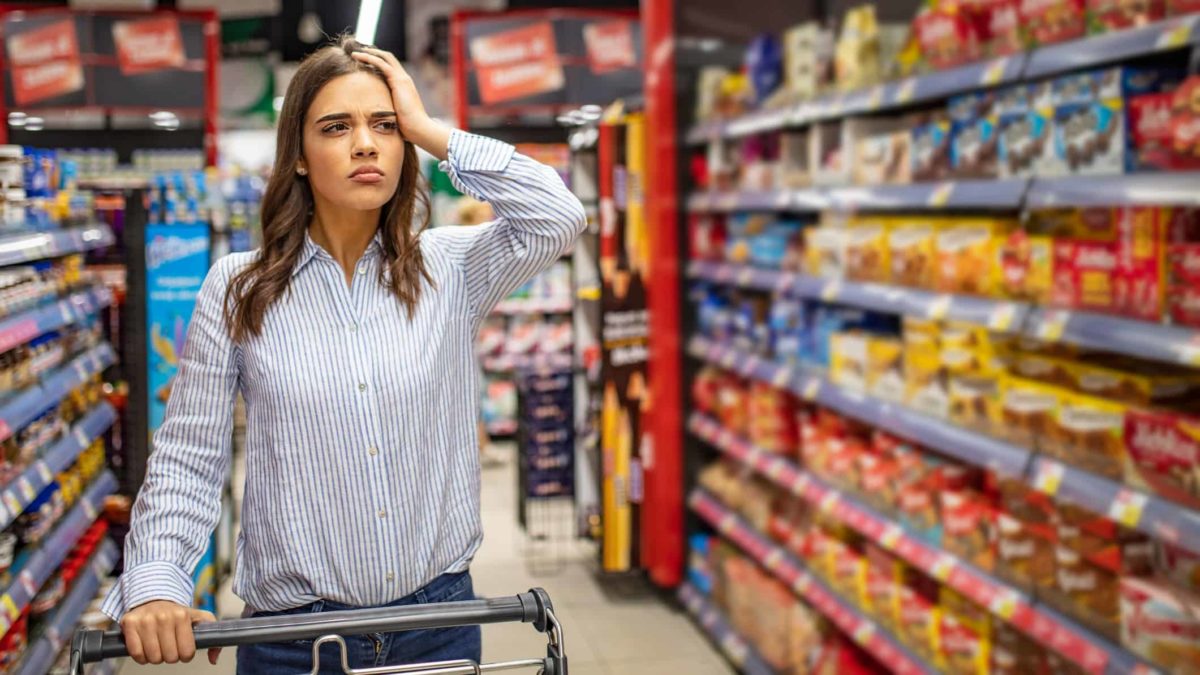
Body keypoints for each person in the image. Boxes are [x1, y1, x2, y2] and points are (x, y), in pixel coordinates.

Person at [101, 36, 586, 673]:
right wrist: (159, 580)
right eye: (337, 127)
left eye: (384, 126)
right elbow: (190, 455)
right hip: (290, 642)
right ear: (298, 155)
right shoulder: (238, 286)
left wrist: (430, 130)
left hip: (437, 624)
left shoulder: (449, 268)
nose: (366, 143)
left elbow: (558, 215)